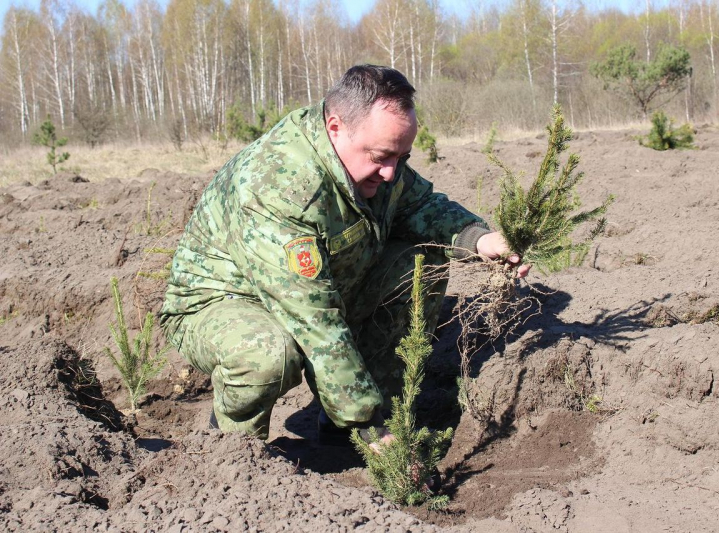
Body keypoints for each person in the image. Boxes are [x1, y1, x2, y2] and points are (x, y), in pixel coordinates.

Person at [159, 65, 528, 446]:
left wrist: (479, 239)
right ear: (336, 128)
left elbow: (418, 203)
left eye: (402, 157)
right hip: (223, 302)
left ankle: (351, 427)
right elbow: (316, 321)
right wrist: (370, 428)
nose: (390, 173)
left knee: (420, 264)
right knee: (268, 355)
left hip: (321, 286)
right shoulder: (280, 188)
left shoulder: (374, 160)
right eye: (382, 156)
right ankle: (232, 453)